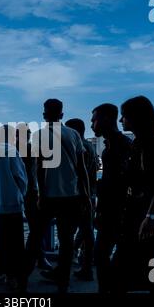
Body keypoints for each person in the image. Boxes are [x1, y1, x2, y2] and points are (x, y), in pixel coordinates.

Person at [28, 99, 92, 293]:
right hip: (72, 196)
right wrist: (87, 196)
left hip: (48, 196)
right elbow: (82, 170)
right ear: (62, 115)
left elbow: (38, 168)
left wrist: (40, 193)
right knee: (66, 242)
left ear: (44, 115)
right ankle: (63, 284)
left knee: (34, 238)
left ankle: (22, 279)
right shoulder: (73, 135)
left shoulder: (39, 135)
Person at [112, 96, 154, 293]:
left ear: (136, 117)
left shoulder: (150, 141)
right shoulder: (143, 141)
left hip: (146, 212)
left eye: (124, 116)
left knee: (147, 261)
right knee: (151, 260)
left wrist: (151, 216)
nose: (121, 121)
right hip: (141, 211)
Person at [90, 104, 132, 293]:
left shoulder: (117, 146)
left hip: (114, 211)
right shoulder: (117, 143)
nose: (92, 124)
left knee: (101, 255)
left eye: (94, 119)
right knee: (105, 256)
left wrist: (100, 208)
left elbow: (115, 183)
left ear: (106, 119)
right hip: (115, 210)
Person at [0, 125, 28, 291]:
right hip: (12, 204)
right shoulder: (11, 151)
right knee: (15, 243)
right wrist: (21, 194)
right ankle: (12, 275)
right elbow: (20, 176)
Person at [16, 123, 53, 271]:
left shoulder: (13, 150)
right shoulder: (31, 149)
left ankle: (27, 257)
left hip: (19, 192)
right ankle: (38, 258)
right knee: (36, 226)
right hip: (31, 191)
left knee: (22, 227)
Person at [65, 118, 97, 281]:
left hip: (77, 195)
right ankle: (87, 266)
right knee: (87, 231)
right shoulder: (91, 147)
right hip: (91, 194)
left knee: (68, 231)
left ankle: (66, 265)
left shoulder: (78, 148)